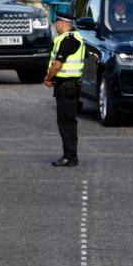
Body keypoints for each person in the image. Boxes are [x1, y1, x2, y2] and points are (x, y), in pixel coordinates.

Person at [44, 13, 83, 167]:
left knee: (66, 122)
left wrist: (48, 78)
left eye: (56, 24)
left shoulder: (69, 40)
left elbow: (58, 64)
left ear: (61, 23)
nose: (55, 27)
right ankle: (70, 155)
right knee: (67, 121)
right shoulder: (75, 37)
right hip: (69, 85)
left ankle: (70, 156)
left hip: (67, 86)